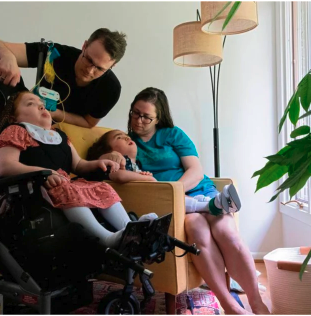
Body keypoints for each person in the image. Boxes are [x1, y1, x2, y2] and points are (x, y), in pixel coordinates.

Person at [101, 88, 266, 315]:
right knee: (197, 231)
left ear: (159, 118)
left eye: (146, 117)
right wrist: (109, 157)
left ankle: (257, 303)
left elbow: (196, 171)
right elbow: (105, 162)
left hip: (199, 191)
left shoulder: (173, 134)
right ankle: (229, 306)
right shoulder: (126, 145)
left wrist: (177, 190)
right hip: (172, 205)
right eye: (134, 113)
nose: (138, 121)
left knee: (226, 231)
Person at [0, 90, 156, 249]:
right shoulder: (16, 130)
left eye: (41, 103)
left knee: (102, 187)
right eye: (30, 104)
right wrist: (45, 172)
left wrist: (98, 163)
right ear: (13, 117)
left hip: (63, 183)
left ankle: (130, 229)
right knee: (66, 188)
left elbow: (79, 165)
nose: (41, 106)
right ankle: (106, 238)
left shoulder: (59, 136)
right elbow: (6, 166)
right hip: (33, 190)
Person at [0, 28, 127, 128]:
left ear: (112, 67)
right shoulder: (53, 54)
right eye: (88, 59)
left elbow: (89, 123)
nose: (90, 70)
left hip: (66, 131)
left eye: (99, 68)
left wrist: (54, 113)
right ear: (84, 46)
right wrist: (8, 56)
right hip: (30, 124)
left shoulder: (111, 88)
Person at [87, 129, 242, 216]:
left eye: (126, 136)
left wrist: (143, 176)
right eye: (120, 138)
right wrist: (143, 178)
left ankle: (210, 200)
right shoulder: (117, 163)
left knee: (183, 198)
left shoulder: (136, 164)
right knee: (178, 200)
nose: (127, 138)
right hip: (152, 201)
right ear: (109, 151)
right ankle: (210, 205)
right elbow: (118, 176)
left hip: (162, 194)